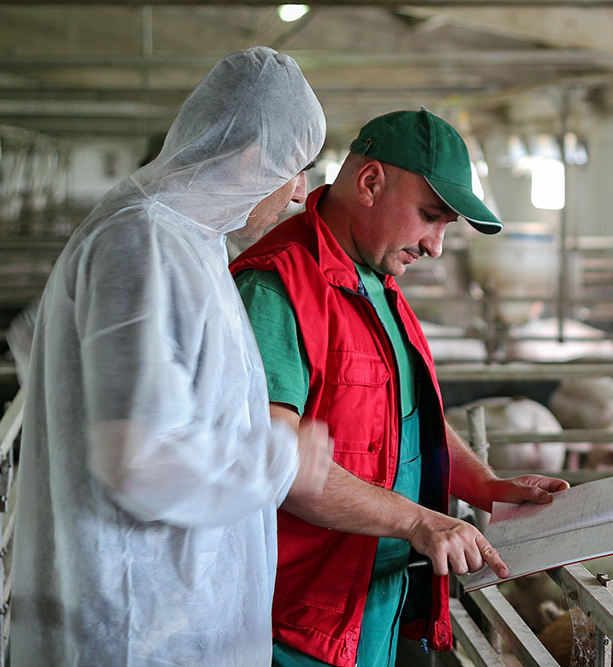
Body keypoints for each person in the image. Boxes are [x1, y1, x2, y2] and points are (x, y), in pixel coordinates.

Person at [9, 46, 334, 665]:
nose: (299, 194)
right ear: (249, 158)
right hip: (140, 621)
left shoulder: (190, 238)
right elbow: (139, 461)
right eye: (297, 169)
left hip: (180, 608)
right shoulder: (143, 240)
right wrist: (277, 458)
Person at [230, 109, 569, 667]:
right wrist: (418, 520)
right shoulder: (277, 287)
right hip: (296, 621)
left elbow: (409, 420)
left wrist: (483, 484)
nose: (435, 246)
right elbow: (275, 461)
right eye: (430, 217)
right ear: (369, 183)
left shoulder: (377, 282)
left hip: (374, 602)